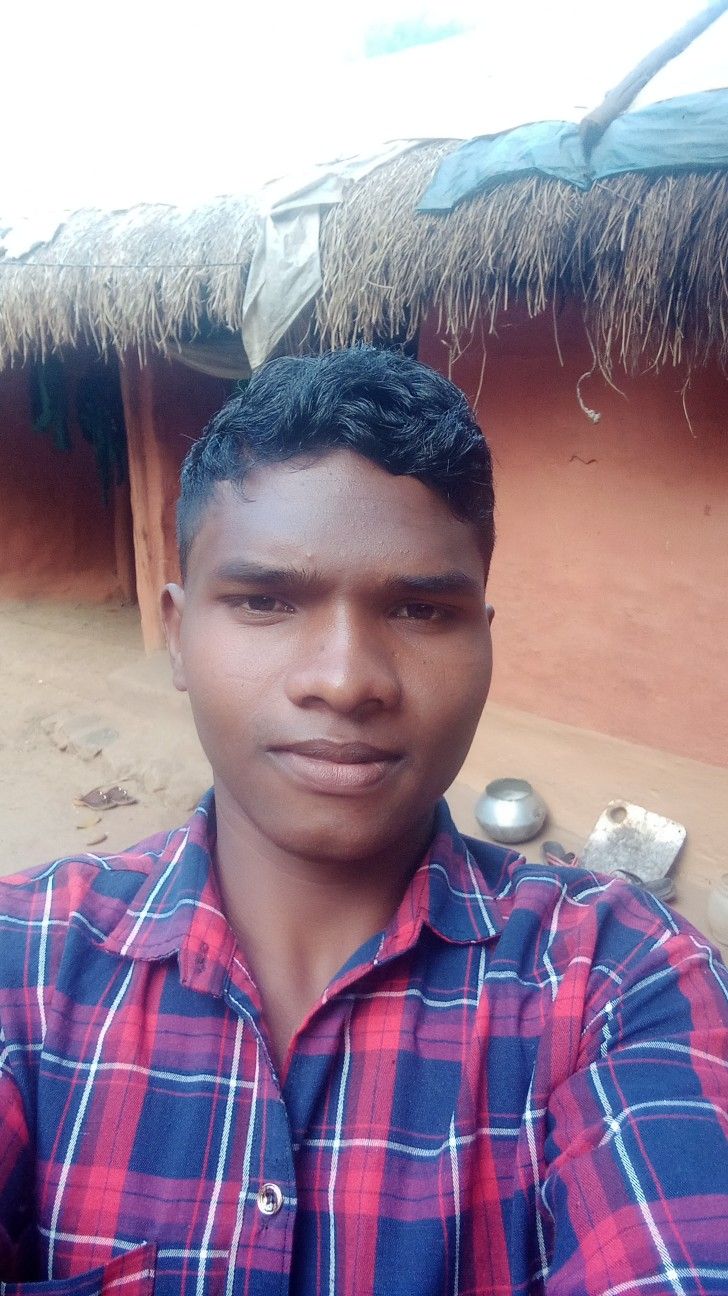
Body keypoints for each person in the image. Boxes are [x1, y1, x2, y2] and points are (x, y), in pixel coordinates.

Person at [0, 347, 726, 1296]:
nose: (344, 680)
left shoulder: (616, 979)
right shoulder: (25, 964)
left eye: (421, 611)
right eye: (265, 601)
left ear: (485, 645)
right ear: (177, 634)